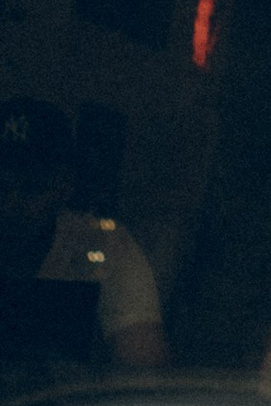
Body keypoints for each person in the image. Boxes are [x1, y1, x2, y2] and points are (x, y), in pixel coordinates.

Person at [0, 98, 164, 379]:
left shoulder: (102, 245)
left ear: (64, 185)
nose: (9, 205)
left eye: (32, 188)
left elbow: (144, 369)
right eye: (1, 186)